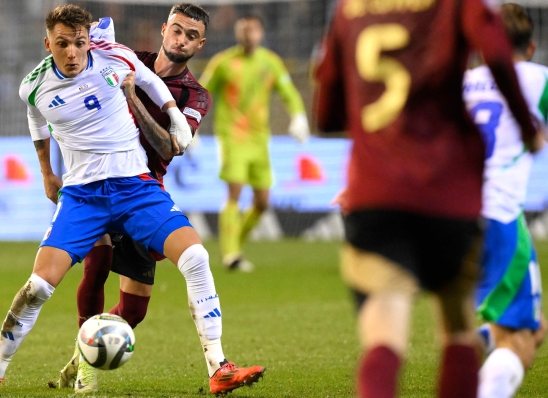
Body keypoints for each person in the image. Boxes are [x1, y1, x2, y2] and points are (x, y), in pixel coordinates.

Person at [0, 4, 263, 397]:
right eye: (63, 44)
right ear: (47, 43)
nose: (72, 52)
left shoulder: (146, 72)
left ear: (200, 43)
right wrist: (46, 170)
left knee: (194, 261)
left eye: (79, 43)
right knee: (40, 286)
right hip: (83, 196)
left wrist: (171, 115)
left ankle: (219, 367)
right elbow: (35, 113)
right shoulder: (41, 81)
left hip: (139, 188)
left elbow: (153, 92)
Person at [315, 0, 543, 397]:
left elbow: (328, 114)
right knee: (468, 331)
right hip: (455, 199)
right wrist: (528, 129)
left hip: (376, 193)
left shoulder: (349, 9)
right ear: (531, 46)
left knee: (383, 335)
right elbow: (497, 56)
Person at [55, 6, 262, 395]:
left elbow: (168, 146)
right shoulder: (128, 59)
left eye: (190, 35)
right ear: (164, 29)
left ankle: (83, 355)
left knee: (133, 311)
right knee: (96, 264)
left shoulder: (194, 96)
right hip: (97, 184)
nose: (180, 39)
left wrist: (131, 94)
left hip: (143, 193)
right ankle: (88, 374)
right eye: (176, 30)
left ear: (200, 44)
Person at [463, 4, 547, 397]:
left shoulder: (461, 84)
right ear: (530, 47)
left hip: (451, 218)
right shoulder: (538, 79)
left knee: (529, 328)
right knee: (523, 340)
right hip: (497, 218)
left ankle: (476, 338)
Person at [199, 15, 310, 271]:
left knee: (262, 202)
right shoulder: (224, 63)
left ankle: (235, 243)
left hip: (260, 140)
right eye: (244, 32)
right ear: (238, 35)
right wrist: (190, 124)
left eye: (253, 31)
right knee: (234, 193)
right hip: (232, 138)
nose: (249, 36)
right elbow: (202, 93)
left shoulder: (271, 62)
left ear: (260, 33)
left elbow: (289, 92)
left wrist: (299, 116)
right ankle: (231, 254)